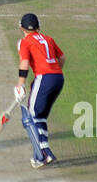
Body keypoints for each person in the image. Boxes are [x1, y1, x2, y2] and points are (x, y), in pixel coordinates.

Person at [15, 13, 65, 168]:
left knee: (31, 116)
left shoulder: (25, 42)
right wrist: (52, 72)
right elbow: (62, 58)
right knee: (40, 116)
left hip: (44, 78)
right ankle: (45, 151)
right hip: (58, 78)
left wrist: (20, 84)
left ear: (21, 27)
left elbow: (24, 62)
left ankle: (41, 155)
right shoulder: (48, 39)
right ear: (38, 27)